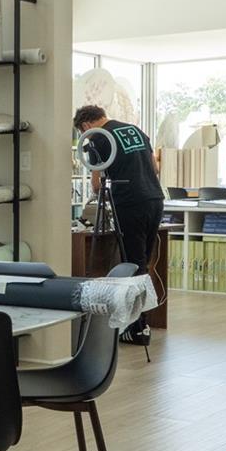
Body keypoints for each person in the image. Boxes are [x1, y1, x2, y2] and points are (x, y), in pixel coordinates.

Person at [74, 104, 165, 344]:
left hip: (130, 203)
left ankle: (137, 327)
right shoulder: (135, 130)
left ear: (86, 125)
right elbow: (155, 168)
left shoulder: (97, 138)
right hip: (155, 200)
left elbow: (96, 185)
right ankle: (141, 323)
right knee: (143, 262)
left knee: (133, 265)